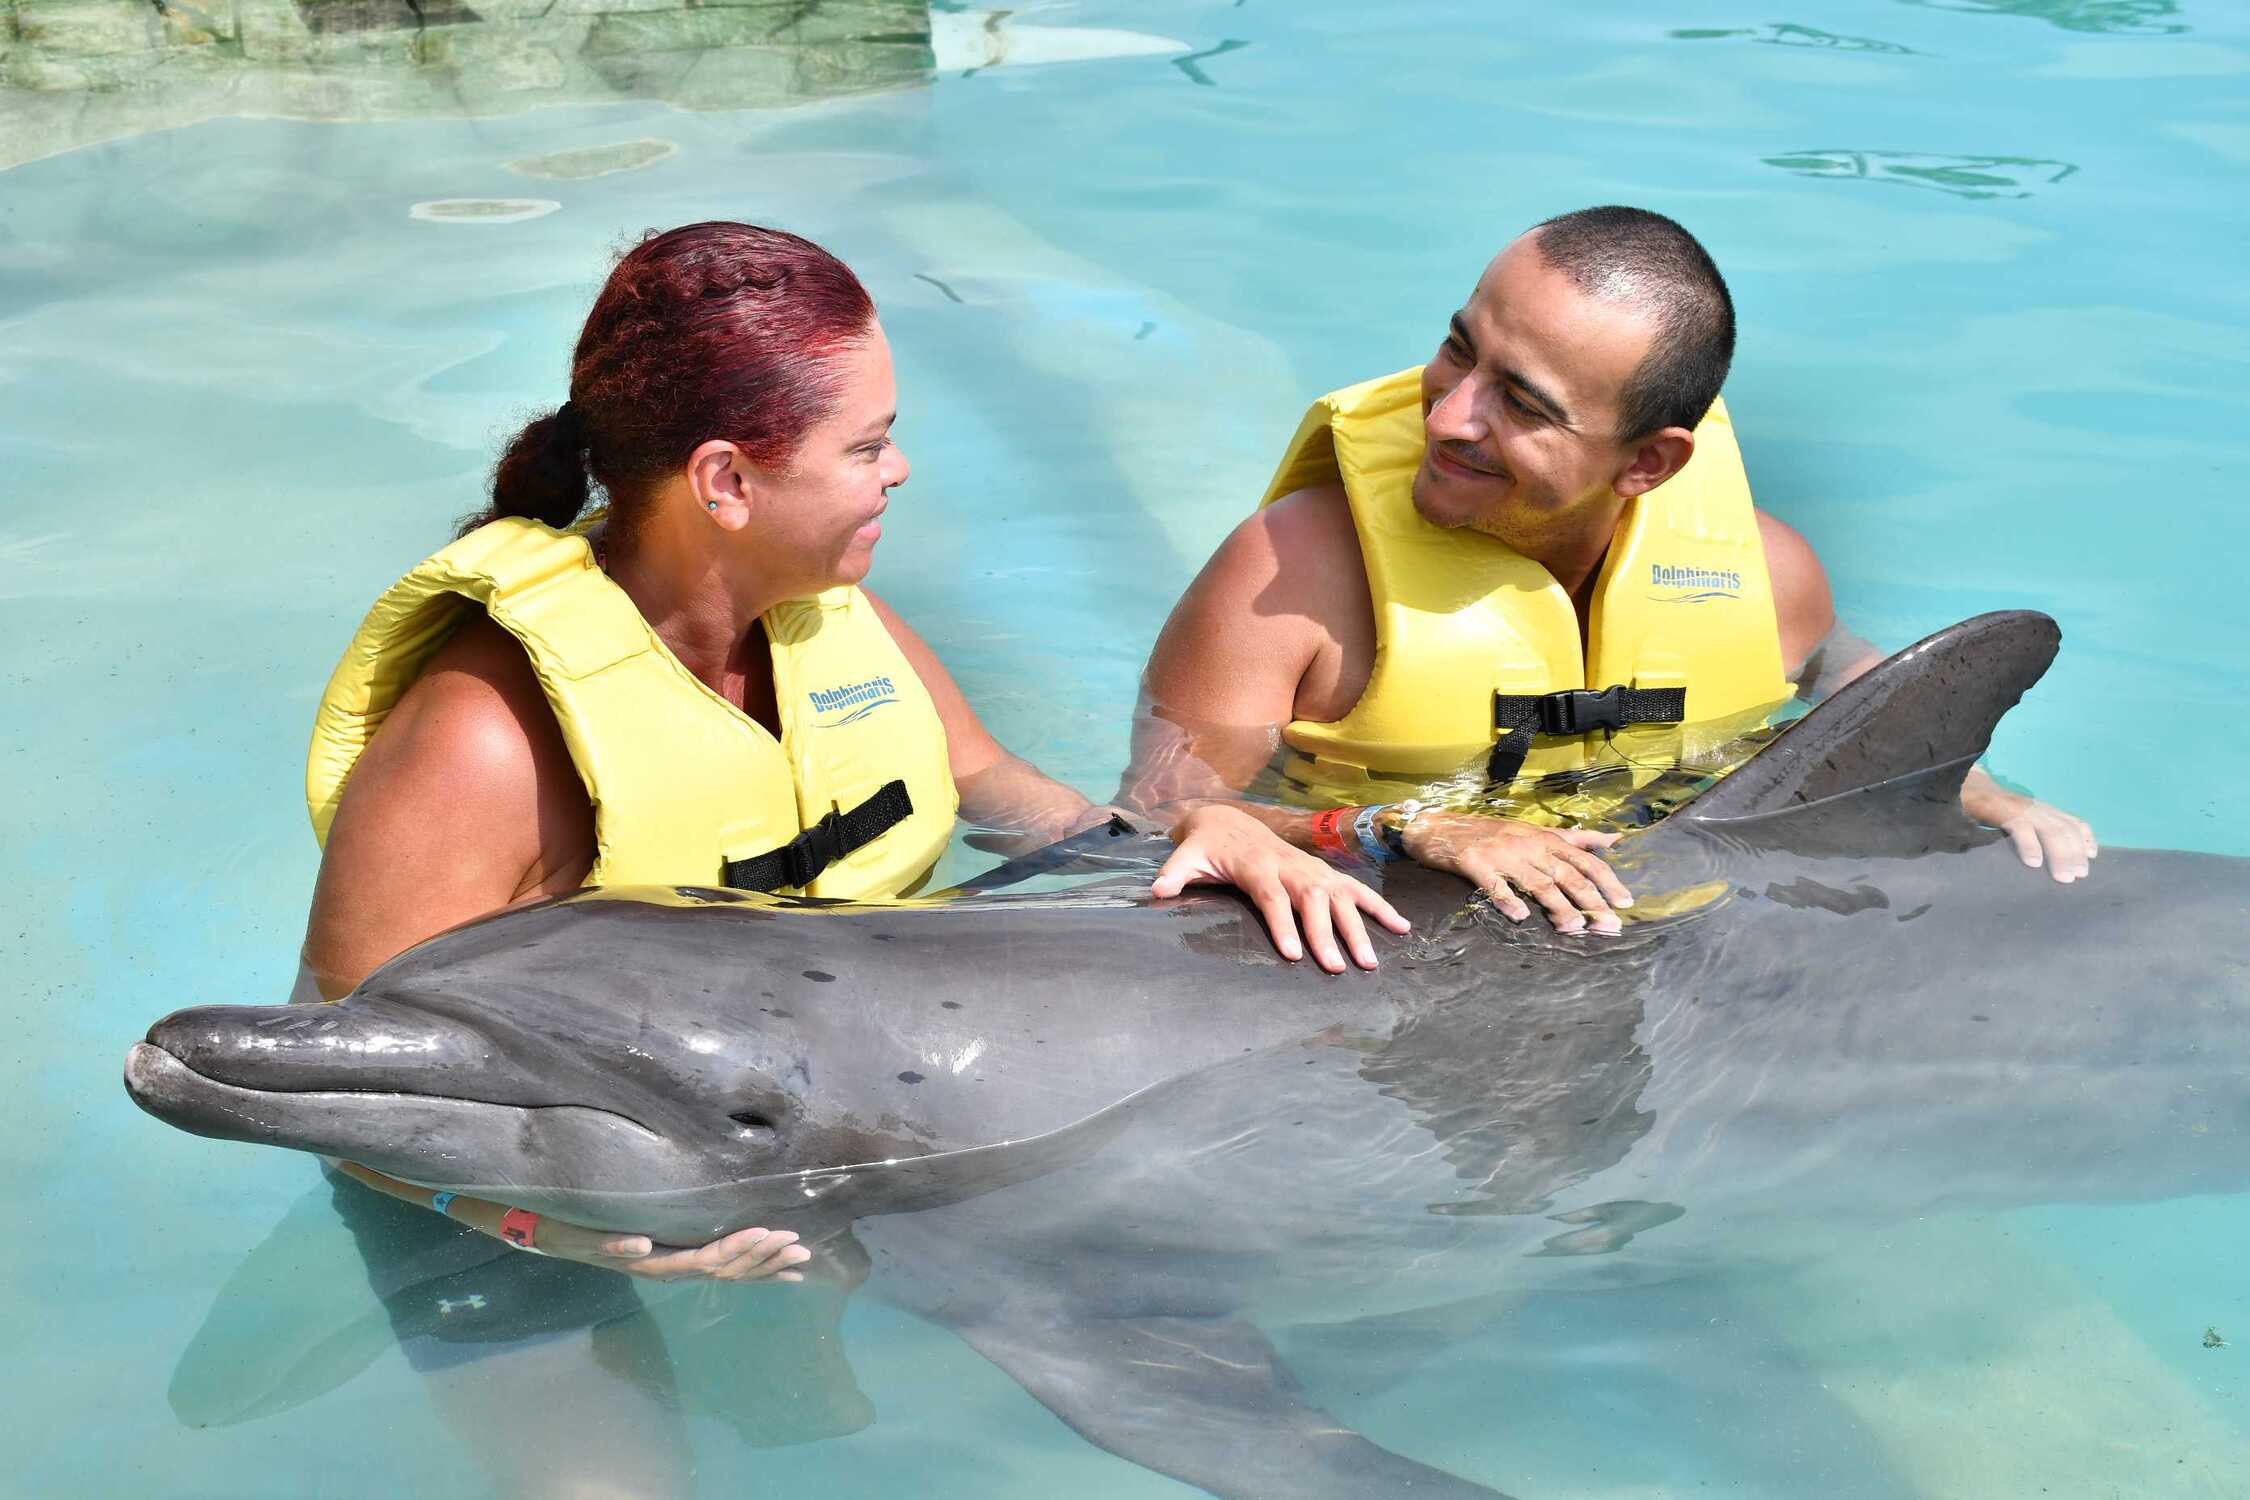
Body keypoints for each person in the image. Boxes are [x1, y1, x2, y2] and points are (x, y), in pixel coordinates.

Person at [290, 222, 1405, 1492]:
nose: (902, 469)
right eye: (867, 445)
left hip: (792, 1134)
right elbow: (346, 1092)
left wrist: (1214, 829)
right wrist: (564, 1234)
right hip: (520, 1203)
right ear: (726, 482)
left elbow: (1024, 811)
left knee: (803, 1433)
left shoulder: (834, 621)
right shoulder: (481, 742)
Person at [1129, 206, 2096, 936]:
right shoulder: (1291, 575)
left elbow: (1840, 676)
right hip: (1403, 929)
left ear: (1649, 465)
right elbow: (1157, 812)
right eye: (1459, 349)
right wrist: (1407, 828)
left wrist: (1975, 787)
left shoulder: (1766, 574)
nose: (1447, 417)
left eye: (1521, 404)